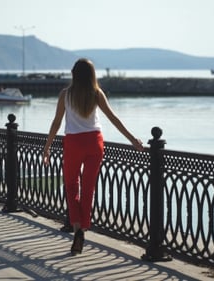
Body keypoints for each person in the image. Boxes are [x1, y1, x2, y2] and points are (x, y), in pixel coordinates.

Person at [43, 58, 144, 255]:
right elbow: (114, 118)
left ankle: (77, 228)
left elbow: (56, 123)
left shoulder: (65, 94)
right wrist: (133, 140)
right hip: (94, 143)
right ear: (92, 75)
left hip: (73, 143)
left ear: (73, 74)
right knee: (88, 186)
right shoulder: (97, 94)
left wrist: (47, 147)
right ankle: (84, 226)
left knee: (72, 185)